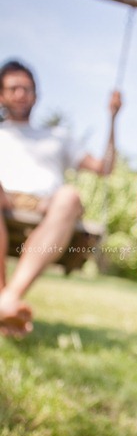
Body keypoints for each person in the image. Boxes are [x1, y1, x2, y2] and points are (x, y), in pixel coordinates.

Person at [0, 59, 122, 336]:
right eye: (13, 88)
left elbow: (105, 168)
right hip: (3, 198)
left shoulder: (57, 136)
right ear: (1, 95)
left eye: (27, 89)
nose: (21, 94)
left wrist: (113, 118)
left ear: (36, 95)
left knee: (69, 195)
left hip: (48, 206)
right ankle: (6, 304)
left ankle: (7, 300)